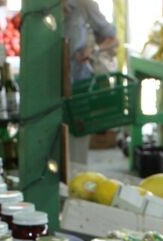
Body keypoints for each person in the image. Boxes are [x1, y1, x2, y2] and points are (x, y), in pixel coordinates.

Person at [64, 0, 118, 166]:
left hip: (79, 84)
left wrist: (92, 50)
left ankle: (75, 182)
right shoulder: (41, 7)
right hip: (48, 85)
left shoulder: (85, 6)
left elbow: (113, 38)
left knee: (76, 145)